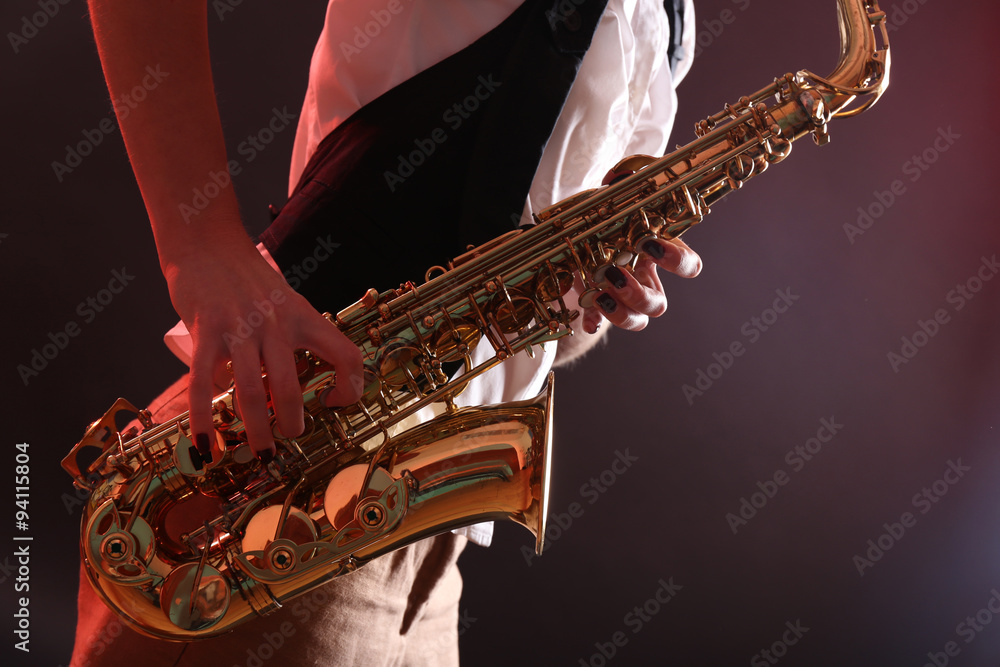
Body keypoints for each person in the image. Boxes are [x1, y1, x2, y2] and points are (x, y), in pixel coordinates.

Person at [70, 0, 702, 664]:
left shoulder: (673, 21)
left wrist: (601, 289)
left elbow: (542, 324)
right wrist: (198, 244)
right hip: (275, 494)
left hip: (427, 552)